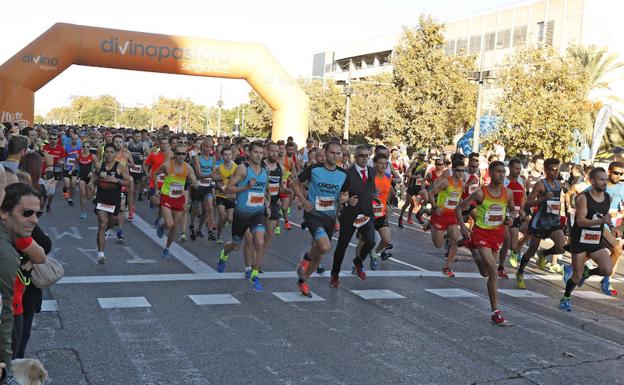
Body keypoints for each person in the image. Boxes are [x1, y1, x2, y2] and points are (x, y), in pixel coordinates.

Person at [457, 161, 515, 325]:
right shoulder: (480, 193)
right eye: (498, 172)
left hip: (496, 235)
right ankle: (495, 312)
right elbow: (458, 209)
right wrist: (462, 226)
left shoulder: (508, 193)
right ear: (490, 173)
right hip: (481, 233)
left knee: (485, 273)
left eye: (503, 172)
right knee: (493, 272)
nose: (502, 175)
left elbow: (512, 209)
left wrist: (511, 217)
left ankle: (472, 248)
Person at [292, 142, 348, 296]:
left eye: (338, 153)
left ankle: (302, 280)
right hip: (313, 214)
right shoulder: (314, 169)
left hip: (330, 217)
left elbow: (345, 193)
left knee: (321, 254)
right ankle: (307, 258)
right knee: (324, 246)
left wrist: (344, 198)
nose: (335, 156)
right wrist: (304, 201)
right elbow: (295, 183)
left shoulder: (343, 174)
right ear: (325, 152)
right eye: (332, 153)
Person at [0, 183, 41, 383]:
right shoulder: (5, 252)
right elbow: (4, 314)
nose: (34, 220)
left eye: (37, 214)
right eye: (27, 213)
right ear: (5, 212)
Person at [215, 141, 268, 292]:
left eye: (261, 153)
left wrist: (267, 204)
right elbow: (229, 189)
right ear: (249, 153)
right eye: (256, 152)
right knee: (236, 246)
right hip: (241, 214)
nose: (258, 155)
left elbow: (263, 190)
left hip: (257, 213)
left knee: (259, 241)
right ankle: (224, 255)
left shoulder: (264, 170)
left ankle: (255, 275)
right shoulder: (243, 169)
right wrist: (246, 187)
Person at [560, 167, 613, 311]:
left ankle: (587, 272)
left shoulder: (608, 197)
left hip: (596, 240)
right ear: (592, 181)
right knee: (576, 276)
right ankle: (566, 297)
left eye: (605, 179)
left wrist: (609, 223)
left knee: (607, 270)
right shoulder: (584, 198)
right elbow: (580, 221)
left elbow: (603, 215)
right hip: (580, 241)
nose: (604, 182)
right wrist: (599, 222)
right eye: (601, 179)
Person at [329, 144, 377, 286]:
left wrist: (375, 196)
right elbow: (340, 193)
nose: (364, 158)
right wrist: (347, 200)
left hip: (366, 213)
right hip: (350, 214)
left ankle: (358, 261)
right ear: (355, 157)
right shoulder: (347, 173)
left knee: (370, 241)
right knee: (342, 245)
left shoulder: (372, 171)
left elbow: (371, 189)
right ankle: (335, 274)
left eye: (366, 156)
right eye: (361, 155)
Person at [516, 158, 565, 289]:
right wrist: (543, 199)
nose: (554, 172)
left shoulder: (559, 185)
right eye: (551, 169)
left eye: (557, 170)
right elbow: (528, 203)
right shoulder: (540, 185)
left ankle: (543, 254)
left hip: (554, 221)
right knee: (531, 250)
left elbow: (558, 201)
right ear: (546, 170)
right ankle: (520, 272)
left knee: (561, 247)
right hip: (540, 222)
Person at [154, 144, 199, 258]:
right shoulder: (167, 165)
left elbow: (196, 184)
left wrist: (194, 182)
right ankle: (162, 225)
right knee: (169, 224)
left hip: (179, 199)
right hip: (166, 196)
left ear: (186, 155)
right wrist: (156, 189)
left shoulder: (188, 168)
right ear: (174, 154)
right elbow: (155, 174)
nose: (180, 156)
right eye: (178, 153)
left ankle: (167, 248)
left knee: (174, 227)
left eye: (183, 154)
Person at [91, 143, 131, 264]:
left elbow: (128, 182)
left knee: (112, 222)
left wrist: (117, 180)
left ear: (115, 154)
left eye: (111, 152)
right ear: (104, 153)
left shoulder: (120, 167)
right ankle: (100, 253)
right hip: (101, 200)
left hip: (114, 201)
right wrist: (91, 184)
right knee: (102, 224)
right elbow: (94, 177)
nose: (109, 154)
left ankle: (108, 229)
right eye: (107, 152)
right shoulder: (99, 166)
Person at [427, 157, 465, 277]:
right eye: (458, 170)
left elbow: (458, 198)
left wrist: (462, 205)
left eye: (463, 170)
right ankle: (431, 224)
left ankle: (447, 267)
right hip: (440, 215)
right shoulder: (446, 182)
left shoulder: (462, 183)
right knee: (438, 245)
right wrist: (435, 207)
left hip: (452, 216)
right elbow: (431, 193)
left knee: (456, 239)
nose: (461, 173)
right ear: (453, 170)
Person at [360, 153, 394, 270]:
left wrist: (387, 206)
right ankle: (358, 263)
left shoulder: (388, 177)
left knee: (386, 240)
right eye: (381, 163)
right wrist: (372, 193)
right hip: (368, 214)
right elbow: (361, 194)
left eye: (385, 164)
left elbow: (388, 191)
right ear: (374, 164)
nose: (383, 166)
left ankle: (374, 253)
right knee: (363, 241)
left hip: (381, 214)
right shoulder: (369, 177)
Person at [599, 161, 624, 295]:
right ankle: (605, 280)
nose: (618, 176)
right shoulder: (600, 184)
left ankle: (605, 278)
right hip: (597, 223)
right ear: (609, 171)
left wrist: (620, 226)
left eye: (621, 174)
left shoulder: (622, 187)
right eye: (616, 173)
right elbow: (582, 198)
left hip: (612, 225)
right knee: (616, 249)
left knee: (614, 251)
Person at [190, 141, 216, 241]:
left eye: (210, 147)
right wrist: (209, 175)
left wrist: (216, 177)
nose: (208, 149)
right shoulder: (197, 157)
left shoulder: (213, 158)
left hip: (207, 187)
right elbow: (198, 174)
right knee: (195, 209)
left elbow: (213, 173)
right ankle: (192, 225)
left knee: (209, 207)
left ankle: (207, 231)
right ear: (202, 147)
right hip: (198, 187)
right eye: (206, 147)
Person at [214, 146, 237, 244]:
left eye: (229, 154)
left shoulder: (236, 167)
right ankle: (219, 235)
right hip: (221, 196)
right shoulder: (220, 168)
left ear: (231, 155)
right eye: (225, 155)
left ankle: (224, 222)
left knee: (230, 219)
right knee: (222, 217)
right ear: (222, 156)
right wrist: (223, 189)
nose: (228, 157)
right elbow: (217, 182)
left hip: (232, 196)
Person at [77, 141, 97, 219]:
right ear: (82, 147)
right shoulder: (78, 156)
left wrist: (93, 172)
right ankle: (83, 212)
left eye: (87, 146)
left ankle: (94, 192)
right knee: (82, 193)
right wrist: (72, 172)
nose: (85, 148)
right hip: (81, 177)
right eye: (84, 146)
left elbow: (98, 166)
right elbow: (75, 165)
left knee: (89, 196)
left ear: (90, 148)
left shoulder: (93, 156)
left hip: (90, 178)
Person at [62, 129, 81, 207]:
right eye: (73, 139)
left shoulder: (80, 148)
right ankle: (65, 190)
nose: (74, 140)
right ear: (71, 140)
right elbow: (63, 156)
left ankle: (70, 199)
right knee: (67, 185)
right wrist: (64, 163)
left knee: (73, 185)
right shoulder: (66, 147)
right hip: (66, 167)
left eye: (76, 139)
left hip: (75, 168)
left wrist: (78, 158)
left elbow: (80, 160)